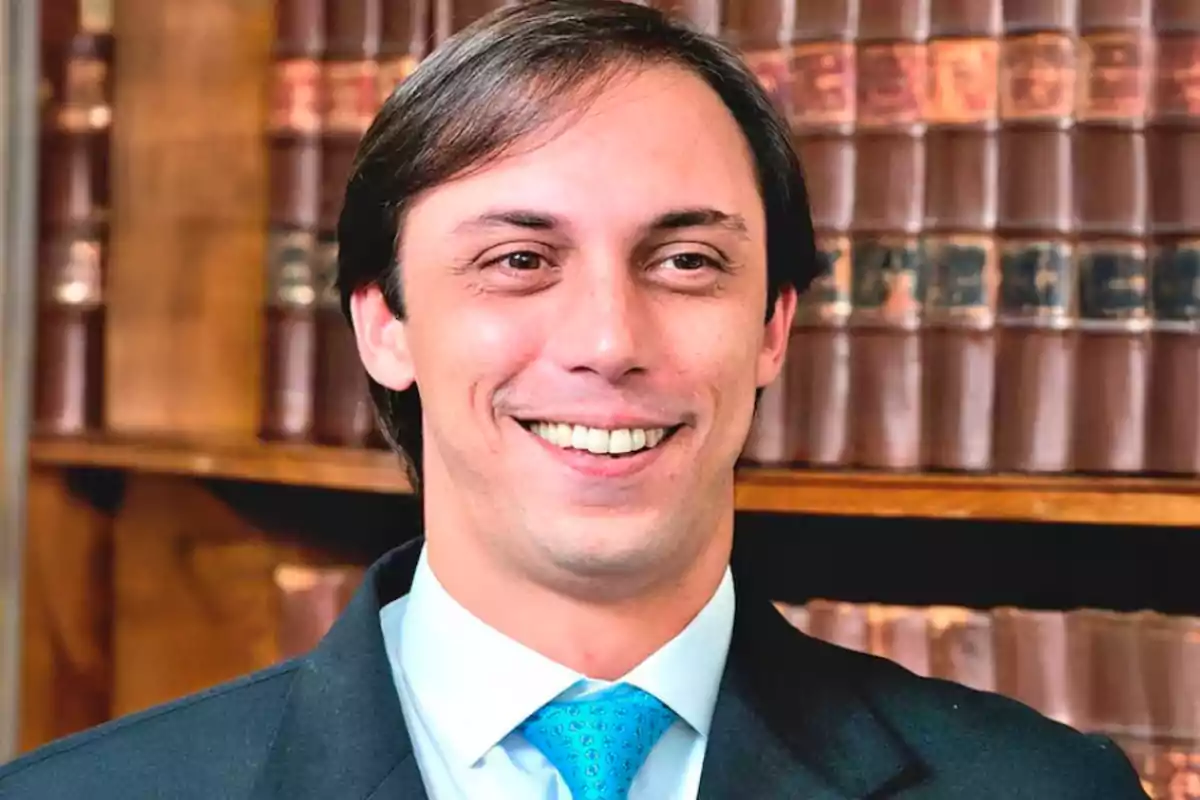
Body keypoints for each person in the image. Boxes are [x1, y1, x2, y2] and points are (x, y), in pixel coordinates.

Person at [0, 1, 1150, 798]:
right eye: (518, 260)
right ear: (382, 322)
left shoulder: (1044, 788)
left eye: (686, 262)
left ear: (774, 326)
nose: (609, 341)